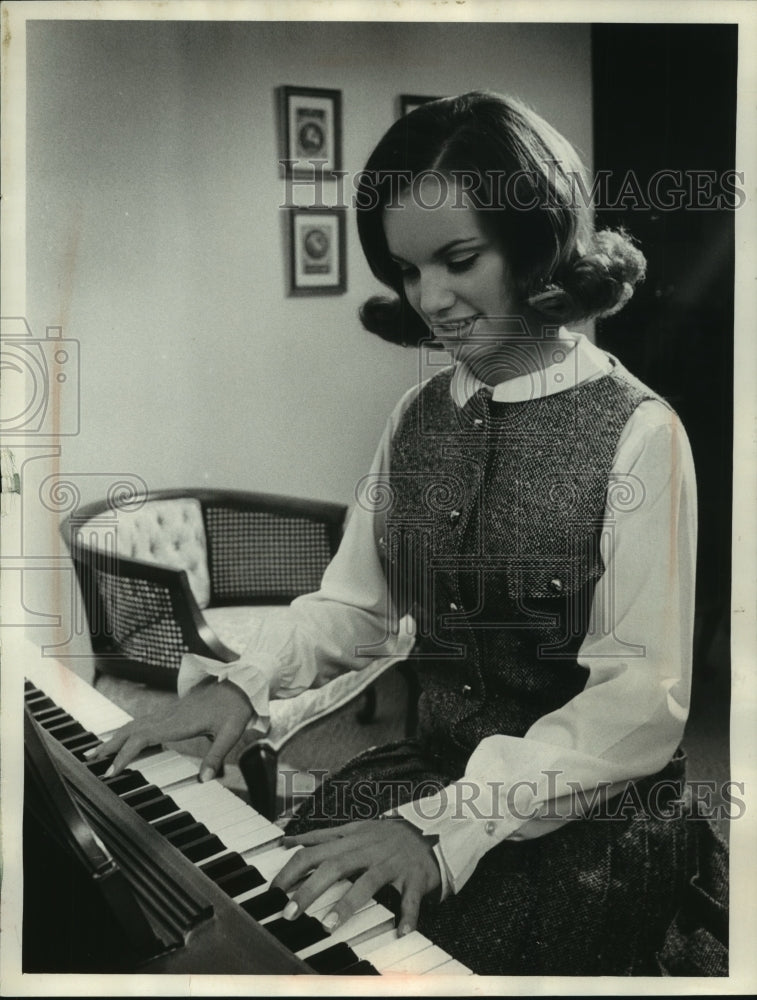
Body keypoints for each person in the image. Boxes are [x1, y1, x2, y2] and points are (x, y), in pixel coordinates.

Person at [95, 91, 728, 976]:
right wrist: (241, 688)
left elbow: (637, 708)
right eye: (405, 270)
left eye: (458, 259)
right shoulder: (414, 416)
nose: (431, 300)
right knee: (271, 923)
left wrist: (435, 829)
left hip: (583, 824)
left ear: (533, 241)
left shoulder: (641, 432)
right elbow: (352, 612)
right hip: (423, 774)